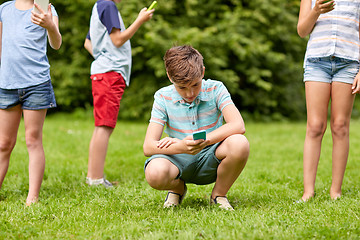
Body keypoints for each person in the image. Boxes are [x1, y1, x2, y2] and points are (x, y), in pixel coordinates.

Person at [143, 45, 250, 210]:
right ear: (170, 77)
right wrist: (180, 146)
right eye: (182, 87)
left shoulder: (216, 88)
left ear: (203, 72)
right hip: (177, 159)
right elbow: (148, 146)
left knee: (240, 143)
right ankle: (177, 189)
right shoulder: (162, 97)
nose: (189, 93)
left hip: (211, 156)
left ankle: (218, 195)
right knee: (155, 173)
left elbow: (238, 124)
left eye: (195, 85)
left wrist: (204, 140)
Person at [84, 0, 154, 187]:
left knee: (102, 126)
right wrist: (140, 19)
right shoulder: (108, 5)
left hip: (104, 72)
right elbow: (117, 40)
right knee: (104, 126)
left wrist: (102, 58)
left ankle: (93, 177)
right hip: (109, 74)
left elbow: (87, 43)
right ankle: (96, 179)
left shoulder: (100, 5)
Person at [0, 0, 62, 206]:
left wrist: (50, 26)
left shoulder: (46, 8)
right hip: (7, 84)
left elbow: (56, 43)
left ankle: (32, 197)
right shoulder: (4, 10)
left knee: (32, 140)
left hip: (36, 84)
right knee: (3, 144)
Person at [297, 0, 360, 201]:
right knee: (315, 126)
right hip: (317, 62)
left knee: (340, 126)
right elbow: (301, 30)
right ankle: (308, 192)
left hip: (349, 62)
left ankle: (336, 191)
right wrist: (316, 10)